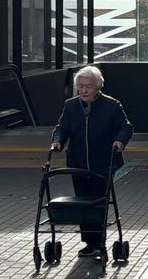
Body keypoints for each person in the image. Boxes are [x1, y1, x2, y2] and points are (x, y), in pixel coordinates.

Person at [50, 65, 133, 257]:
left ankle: (99, 241)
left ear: (98, 87)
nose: (84, 90)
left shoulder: (112, 106)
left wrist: (120, 141)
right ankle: (89, 242)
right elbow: (62, 128)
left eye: (88, 86)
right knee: (82, 202)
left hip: (103, 163)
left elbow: (125, 127)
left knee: (98, 202)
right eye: (81, 86)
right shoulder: (71, 105)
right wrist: (57, 142)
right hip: (78, 163)